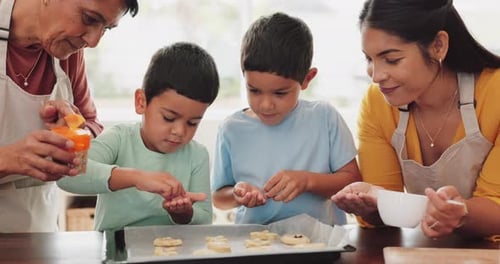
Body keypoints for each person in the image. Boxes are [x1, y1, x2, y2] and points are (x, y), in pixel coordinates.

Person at [331, 0, 500, 239]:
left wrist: (460, 212)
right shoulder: (378, 103)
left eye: (391, 60)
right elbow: (384, 209)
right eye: (369, 59)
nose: (376, 76)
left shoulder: (495, 93)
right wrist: (370, 207)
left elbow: (497, 209)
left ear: (438, 46)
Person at [0, 0, 139, 232]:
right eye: (90, 18)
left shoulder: (66, 52)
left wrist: (74, 132)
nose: (93, 41)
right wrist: (8, 160)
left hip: (35, 235)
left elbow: (92, 125)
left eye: (106, 29)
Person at [211, 12, 361, 225]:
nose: (266, 104)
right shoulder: (231, 129)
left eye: (280, 93)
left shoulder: (325, 117)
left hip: (319, 246)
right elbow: (219, 198)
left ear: (307, 79)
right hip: (255, 244)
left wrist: (307, 181)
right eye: (254, 90)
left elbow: (353, 182)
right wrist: (237, 195)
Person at [57, 42, 219, 231]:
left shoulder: (197, 155)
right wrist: (136, 178)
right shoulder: (119, 139)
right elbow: (68, 176)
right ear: (141, 102)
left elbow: (205, 219)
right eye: (169, 118)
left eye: (193, 123)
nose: (180, 131)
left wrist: (184, 214)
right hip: (116, 252)